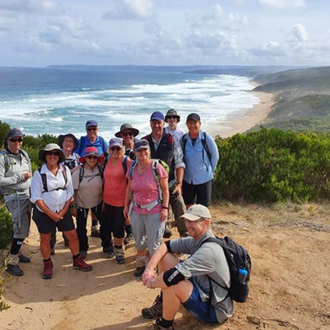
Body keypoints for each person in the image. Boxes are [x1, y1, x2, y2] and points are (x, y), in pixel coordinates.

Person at [141, 204, 233, 330]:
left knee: (171, 283)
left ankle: (165, 326)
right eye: (187, 220)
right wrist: (149, 269)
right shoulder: (197, 240)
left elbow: (171, 278)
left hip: (214, 310)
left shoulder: (209, 250)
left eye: (193, 221)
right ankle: (165, 302)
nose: (188, 225)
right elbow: (165, 246)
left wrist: (151, 283)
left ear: (206, 223)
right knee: (165, 257)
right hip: (202, 291)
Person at [30, 143, 92, 279]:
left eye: (55, 153)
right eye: (49, 153)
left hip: (63, 210)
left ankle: (76, 259)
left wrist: (63, 211)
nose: (52, 156)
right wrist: (51, 214)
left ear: (59, 156)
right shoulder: (39, 173)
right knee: (45, 239)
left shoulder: (64, 170)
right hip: (44, 212)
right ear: (45, 156)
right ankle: (47, 263)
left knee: (72, 235)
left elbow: (69, 192)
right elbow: (36, 197)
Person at [123, 139, 169, 277]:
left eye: (145, 149)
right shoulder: (132, 168)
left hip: (154, 209)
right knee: (139, 238)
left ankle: (152, 267)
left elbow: (165, 190)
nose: (142, 152)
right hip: (136, 209)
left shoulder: (156, 167)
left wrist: (165, 208)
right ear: (135, 152)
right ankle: (141, 264)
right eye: (139, 150)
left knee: (154, 241)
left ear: (149, 151)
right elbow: (129, 188)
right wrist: (126, 206)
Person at [143, 111, 187, 238]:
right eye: (154, 123)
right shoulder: (144, 142)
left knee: (180, 207)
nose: (156, 126)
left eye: (159, 123)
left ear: (164, 123)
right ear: (150, 124)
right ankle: (152, 242)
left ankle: (185, 237)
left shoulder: (172, 140)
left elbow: (179, 163)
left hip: (170, 183)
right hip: (151, 188)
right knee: (152, 217)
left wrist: (179, 184)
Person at [0, 128, 32, 276]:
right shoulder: (2, 158)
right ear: (8, 141)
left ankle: (17, 253)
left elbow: (30, 175)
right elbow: (0, 180)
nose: (17, 142)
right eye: (14, 140)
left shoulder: (24, 154)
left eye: (20, 139)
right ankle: (12, 261)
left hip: (27, 196)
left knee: (24, 227)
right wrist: (19, 177)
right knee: (20, 229)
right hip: (14, 198)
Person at [75, 120, 108, 237]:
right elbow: (75, 155)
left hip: (99, 172)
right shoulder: (82, 141)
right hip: (84, 172)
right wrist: (75, 169)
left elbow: (107, 156)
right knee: (81, 223)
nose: (92, 131)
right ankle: (79, 243)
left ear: (98, 129)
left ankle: (95, 228)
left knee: (96, 201)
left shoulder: (103, 142)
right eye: (89, 129)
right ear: (86, 130)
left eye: (94, 129)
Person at [71, 146, 105, 259]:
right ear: (85, 158)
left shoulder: (100, 169)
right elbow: (73, 191)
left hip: (98, 202)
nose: (92, 159)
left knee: (105, 225)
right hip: (81, 204)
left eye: (95, 157)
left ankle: (107, 246)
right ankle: (83, 249)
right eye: (89, 157)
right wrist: (73, 206)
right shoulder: (78, 172)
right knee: (81, 228)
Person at [103, 138, 133, 263]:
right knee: (107, 226)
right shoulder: (106, 160)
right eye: (112, 148)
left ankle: (119, 251)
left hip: (121, 201)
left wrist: (128, 202)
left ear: (122, 149)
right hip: (107, 200)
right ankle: (112, 248)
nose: (115, 151)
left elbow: (132, 182)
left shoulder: (127, 161)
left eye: (118, 148)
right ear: (109, 149)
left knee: (118, 227)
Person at [50, 133, 81, 254]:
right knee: (53, 218)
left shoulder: (77, 157)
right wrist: (72, 170)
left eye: (71, 142)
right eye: (66, 141)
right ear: (62, 143)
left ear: (74, 145)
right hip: (58, 193)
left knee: (68, 216)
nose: (68, 143)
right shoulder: (57, 157)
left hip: (73, 192)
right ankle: (51, 245)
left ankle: (67, 239)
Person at [181, 113, 219, 209]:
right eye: (190, 123)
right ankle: (190, 224)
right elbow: (180, 158)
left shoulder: (206, 138)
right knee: (188, 206)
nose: (192, 125)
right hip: (188, 179)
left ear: (200, 123)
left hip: (204, 178)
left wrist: (210, 170)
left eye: (195, 123)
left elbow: (215, 155)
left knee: (203, 208)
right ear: (186, 124)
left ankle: (203, 224)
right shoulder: (184, 139)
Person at [115, 123, 140, 244]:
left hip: (138, 184)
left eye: (130, 134)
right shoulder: (118, 149)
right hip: (122, 184)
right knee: (125, 209)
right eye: (125, 134)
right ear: (121, 135)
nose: (128, 136)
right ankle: (130, 232)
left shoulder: (139, 147)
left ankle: (136, 233)